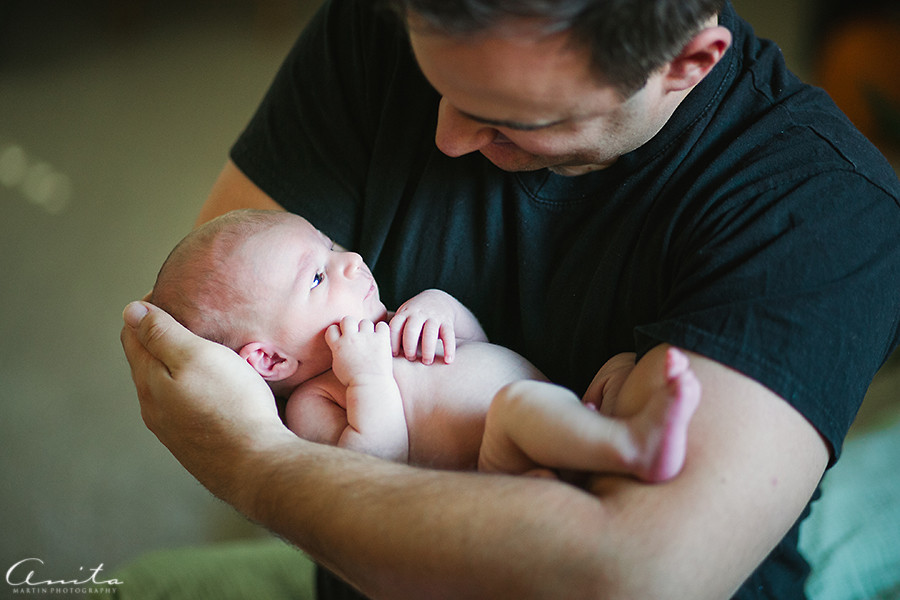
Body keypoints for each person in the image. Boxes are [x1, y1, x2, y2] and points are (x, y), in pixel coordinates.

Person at [121, 0, 900, 598]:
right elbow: (190, 352)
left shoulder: (826, 208)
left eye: (512, 119)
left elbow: (626, 575)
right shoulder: (385, 23)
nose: (447, 139)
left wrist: (256, 465)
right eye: (437, 83)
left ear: (687, 63)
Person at [150, 208, 700, 479]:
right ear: (270, 358)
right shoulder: (315, 401)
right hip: (502, 461)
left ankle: (623, 431)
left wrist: (443, 309)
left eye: (331, 247)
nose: (350, 261)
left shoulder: (389, 322)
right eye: (317, 277)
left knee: (623, 363)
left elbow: (475, 348)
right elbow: (374, 469)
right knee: (519, 406)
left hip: (563, 406)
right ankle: (629, 447)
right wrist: (367, 379)